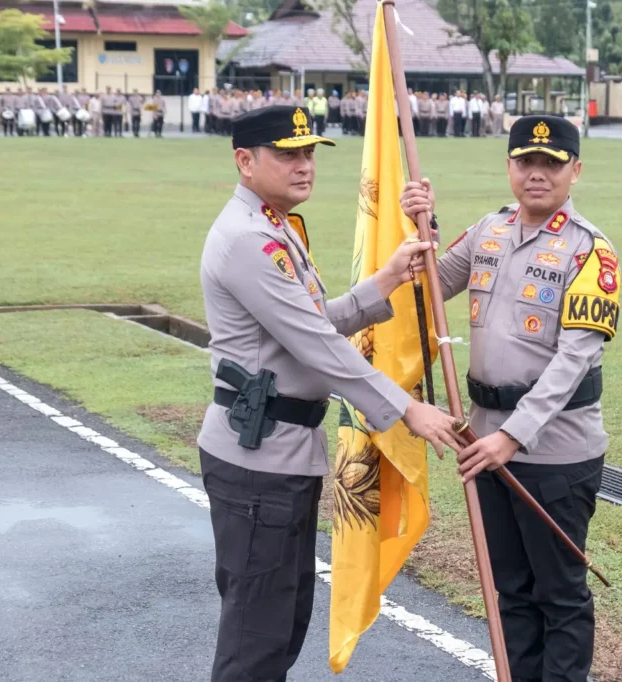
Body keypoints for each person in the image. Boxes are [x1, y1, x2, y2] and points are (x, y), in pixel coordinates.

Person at [198, 105, 461, 681]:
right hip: (257, 461)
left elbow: (315, 319)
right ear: (245, 161)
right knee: (255, 640)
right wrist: (406, 409)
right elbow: (316, 342)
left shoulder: (275, 228)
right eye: (287, 153)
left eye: (309, 152)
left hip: (281, 453)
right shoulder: (250, 239)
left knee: (282, 622)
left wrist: (388, 277)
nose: (305, 165)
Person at [401, 115, 617, 682]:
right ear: (510, 168)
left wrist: (511, 437)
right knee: (512, 591)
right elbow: (427, 283)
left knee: (560, 594)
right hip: (484, 439)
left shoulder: (590, 252)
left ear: (576, 170)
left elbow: (573, 363)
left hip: (554, 453)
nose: (537, 174)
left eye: (552, 164)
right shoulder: (486, 232)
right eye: (526, 162)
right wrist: (418, 222)